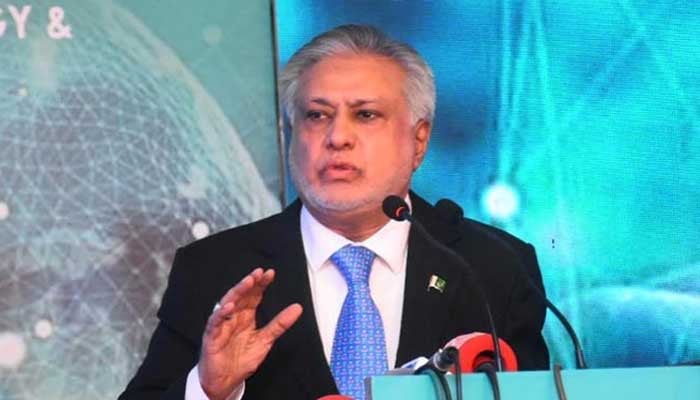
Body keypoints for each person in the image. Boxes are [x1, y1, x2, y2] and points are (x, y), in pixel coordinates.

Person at [120, 24, 549, 400]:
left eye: (366, 114)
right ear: (291, 134)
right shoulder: (215, 270)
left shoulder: (491, 266)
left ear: (418, 140)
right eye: (316, 115)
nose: (337, 136)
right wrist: (209, 389)